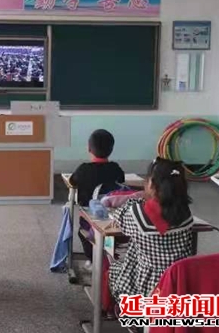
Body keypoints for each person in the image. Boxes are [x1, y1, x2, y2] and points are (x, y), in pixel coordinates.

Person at [109, 158, 194, 312]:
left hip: (146, 290)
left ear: (151, 185)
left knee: (114, 269)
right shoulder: (186, 213)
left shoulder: (138, 214)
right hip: (178, 286)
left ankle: (120, 311)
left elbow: (119, 216)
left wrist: (135, 202)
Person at [69, 129, 126, 260]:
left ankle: (93, 260)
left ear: (89, 148)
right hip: (112, 219)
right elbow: (121, 181)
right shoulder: (115, 168)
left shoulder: (83, 169)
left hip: (90, 219)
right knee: (108, 237)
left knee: (82, 233)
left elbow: (72, 182)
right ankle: (107, 255)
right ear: (111, 149)